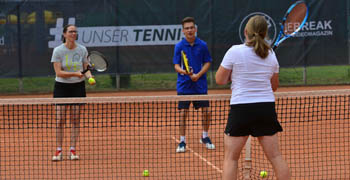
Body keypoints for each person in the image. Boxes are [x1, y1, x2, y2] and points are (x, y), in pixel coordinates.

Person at [215, 15, 290, 179]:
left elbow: (219, 80)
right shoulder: (271, 55)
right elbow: (274, 86)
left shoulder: (234, 51)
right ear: (265, 34)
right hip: (265, 108)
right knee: (276, 157)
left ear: (245, 31)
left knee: (231, 158)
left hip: (241, 108)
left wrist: (232, 77)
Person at [51, 24, 94, 161]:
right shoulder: (58, 51)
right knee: (60, 120)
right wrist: (75, 73)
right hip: (61, 87)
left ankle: (72, 150)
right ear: (64, 34)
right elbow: (58, 72)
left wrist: (90, 77)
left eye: (75, 31)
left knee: (75, 119)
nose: (73, 34)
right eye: (70, 31)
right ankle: (58, 151)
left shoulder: (82, 49)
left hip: (78, 87)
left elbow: (85, 69)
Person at [173, 17, 215, 153]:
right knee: (183, 113)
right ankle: (182, 140)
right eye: (187, 28)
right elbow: (176, 65)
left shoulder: (202, 45)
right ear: (183, 31)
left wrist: (198, 75)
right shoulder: (179, 46)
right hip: (184, 85)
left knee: (207, 112)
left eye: (192, 27)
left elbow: (208, 62)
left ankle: (205, 136)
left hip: (200, 85)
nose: (190, 30)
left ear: (195, 29)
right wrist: (184, 71)